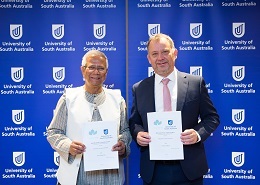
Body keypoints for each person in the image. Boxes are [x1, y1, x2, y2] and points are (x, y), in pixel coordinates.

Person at [129, 33, 220, 185]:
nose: (160, 58)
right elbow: (134, 122)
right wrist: (138, 134)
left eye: (165, 52)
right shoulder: (139, 88)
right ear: (149, 59)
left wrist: (197, 134)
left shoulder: (195, 83)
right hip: (153, 171)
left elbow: (212, 118)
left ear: (174, 53)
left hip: (189, 171)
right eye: (155, 54)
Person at [47, 50, 131, 185]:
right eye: (91, 67)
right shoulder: (68, 98)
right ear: (82, 70)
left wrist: (123, 144)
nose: (96, 72)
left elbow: (125, 130)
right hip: (76, 176)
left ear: (106, 72)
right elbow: (53, 132)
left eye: (101, 68)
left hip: (109, 177)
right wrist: (68, 146)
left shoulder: (117, 99)